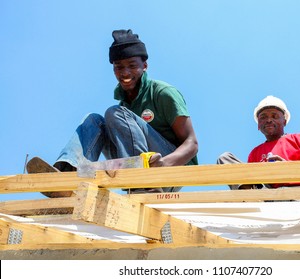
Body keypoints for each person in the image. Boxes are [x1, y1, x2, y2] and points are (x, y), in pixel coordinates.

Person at [27, 29, 198, 197]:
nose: (125, 73)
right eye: (119, 67)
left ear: (144, 66)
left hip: (172, 171)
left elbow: (192, 144)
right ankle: (67, 173)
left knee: (114, 113)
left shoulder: (162, 93)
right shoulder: (125, 106)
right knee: (94, 120)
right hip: (140, 168)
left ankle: (142, 184)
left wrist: (163, 164)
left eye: (132, 66)